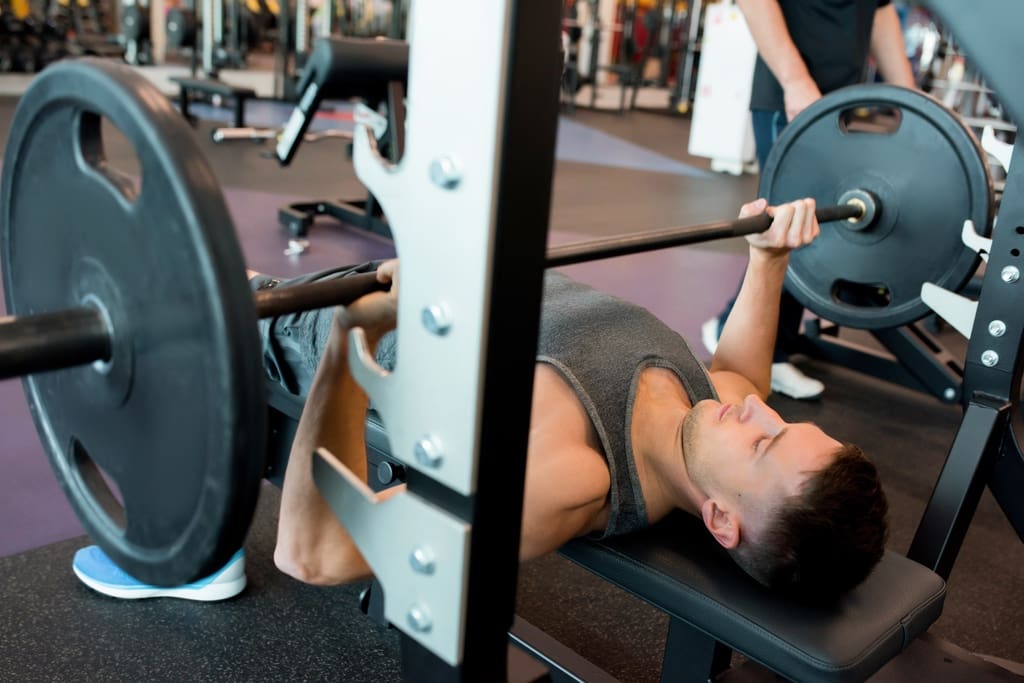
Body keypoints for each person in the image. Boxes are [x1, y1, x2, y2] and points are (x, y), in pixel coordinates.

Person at [73, 198, 889, 604]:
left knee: (90, 304)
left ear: (719, 519)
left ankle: (187, 553)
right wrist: (766, 259)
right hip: (392, 293)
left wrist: (348, 347)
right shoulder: (707, 413)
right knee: (133, 250)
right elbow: (744, 373)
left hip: (308, 328)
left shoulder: (564, 475)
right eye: (784, 421)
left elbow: (311, 556)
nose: (758, 410)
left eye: (764, 442)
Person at [702, 0, 917, 400]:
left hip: (840, 101)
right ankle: (752, 344)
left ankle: (764, 342)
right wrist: (794, 79)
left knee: (810, 226)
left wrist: (914, 102)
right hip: (793, 96)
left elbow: (880, 11)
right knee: (792, 223)